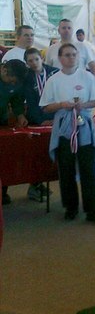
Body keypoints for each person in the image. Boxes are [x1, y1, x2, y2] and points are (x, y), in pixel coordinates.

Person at [39, 43, 95, 225]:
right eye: (67, 55)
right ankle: (71, 208)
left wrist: (82, 105)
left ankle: (92, 210)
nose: (71, 58)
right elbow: (45, 107)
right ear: (60, 58)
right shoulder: (53, 80)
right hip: (64, 128)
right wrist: (62, 105)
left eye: (74, 54)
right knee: (66, 169)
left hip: (83, 126)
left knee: (88, 170)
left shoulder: (87, 76)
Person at [23, 48, 59, 201]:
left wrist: (56, 118)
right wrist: (40, 121)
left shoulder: (55, 72)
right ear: (26, 63)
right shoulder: (27, 78)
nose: (34, 63)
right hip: (37, 121)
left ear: (41, 59)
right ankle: (34, 185)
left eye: (36, 59)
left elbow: (60, 96)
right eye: (30, 61)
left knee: (51, 153)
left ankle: (42, 183)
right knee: (37, 153)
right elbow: (31, 104)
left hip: (55, 119)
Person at [0, 59, 28, 205]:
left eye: (15, 82)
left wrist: (20, 115)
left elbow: (16, 99)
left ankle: (2, 192)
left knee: (3, 158)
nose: (13, 84)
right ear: (4, 70)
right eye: (11, 81)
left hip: (2, 122)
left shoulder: (15, 82)